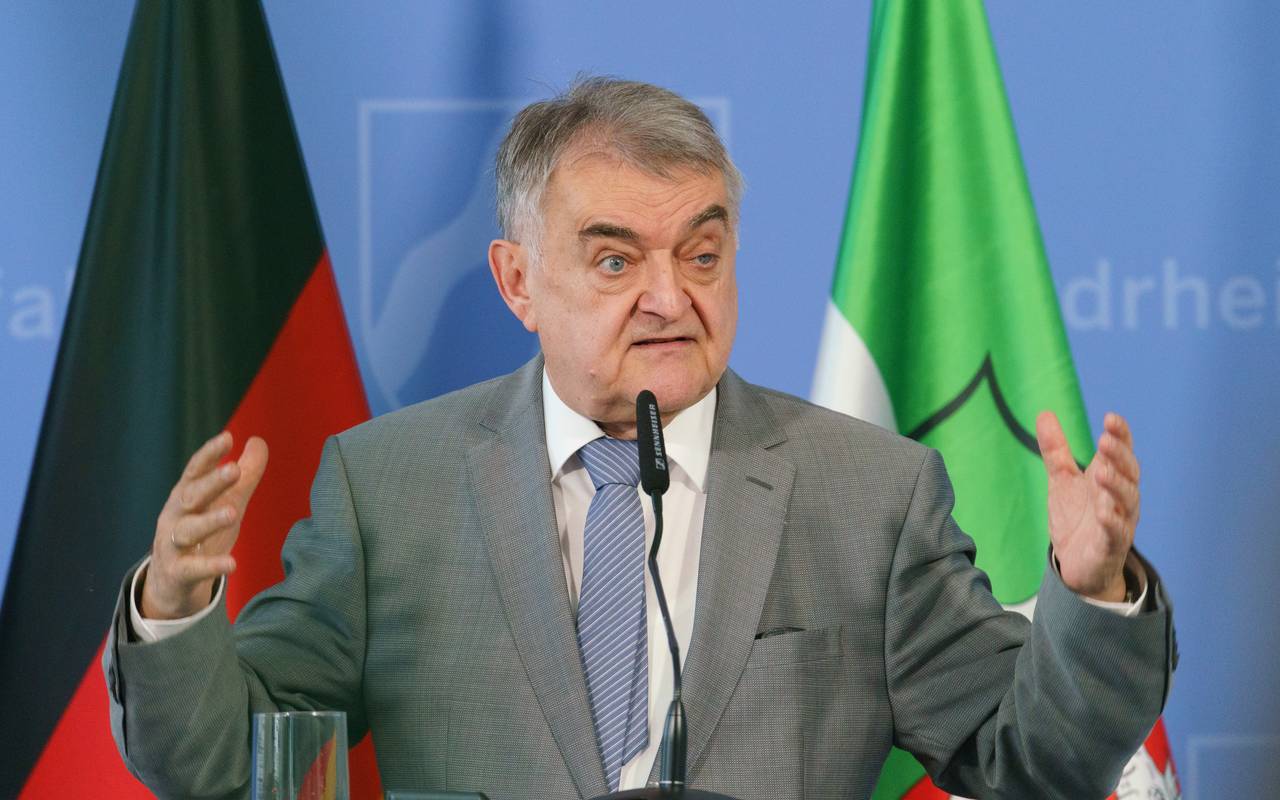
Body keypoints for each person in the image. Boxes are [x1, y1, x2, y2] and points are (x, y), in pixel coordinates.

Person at [104, 77, 1175, 800]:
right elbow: (227, 766)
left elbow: (1031, 761)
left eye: (700, 254)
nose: (670, 297)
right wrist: (174, 610)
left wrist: (1092, 594)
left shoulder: (868, 493)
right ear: (518, 282)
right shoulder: (390, 489)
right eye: (615, 260)